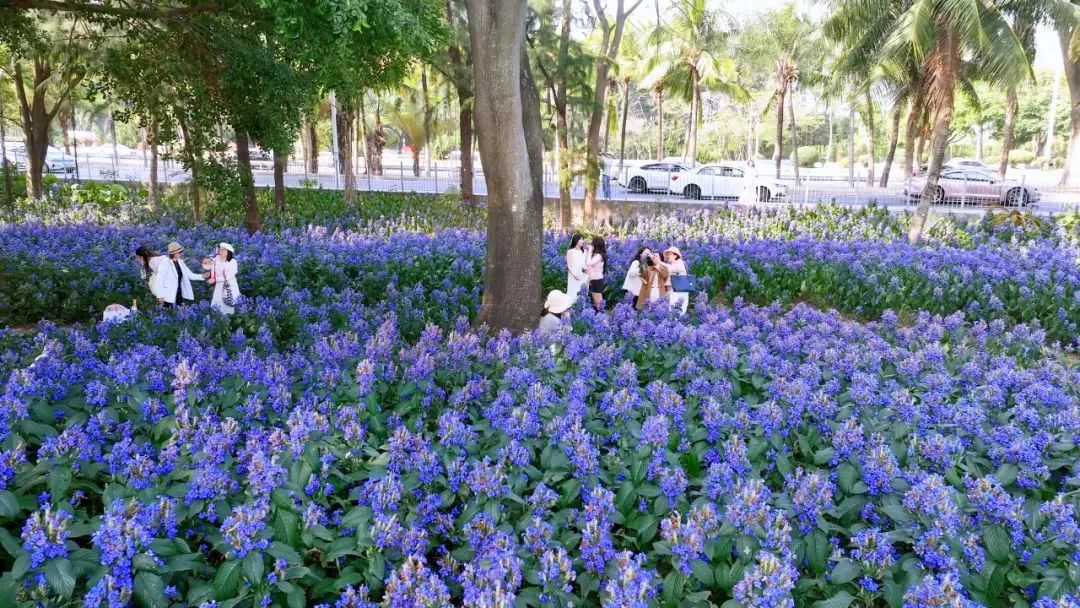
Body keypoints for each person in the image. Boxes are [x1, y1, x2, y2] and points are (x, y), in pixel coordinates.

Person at [167, 241, 205, 306]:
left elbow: (190, 275)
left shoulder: (181, 262)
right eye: (180, 252)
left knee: (183, 311)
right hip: (172, 293)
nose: (181, 254)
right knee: (176, 311)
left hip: (182, 292)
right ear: (174, 253)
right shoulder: (167, 264)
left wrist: (203, 276)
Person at [208, 242, 241, 315]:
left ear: (228, 252)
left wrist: (216, 279)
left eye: (223, 250)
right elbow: (212, 272)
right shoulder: (216, 260)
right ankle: (218, 319)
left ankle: (229, 319)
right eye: (220, 250)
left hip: (229, 286)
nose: (220, 252)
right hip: (219, 287)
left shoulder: (233, 262)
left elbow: (229, 276)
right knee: (217, 306)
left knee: (229, 306)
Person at [662, 246, 689, 314]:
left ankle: (678, 323)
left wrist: (660, 263)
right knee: (672, 309)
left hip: (680, 290)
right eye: (667, 254)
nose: (668, 256)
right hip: (674, 290)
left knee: (679, 310)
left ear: (675, 256)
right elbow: (669, 278)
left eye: (670, 254)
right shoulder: (672, 264)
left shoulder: (679, 262)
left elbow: (673, 269)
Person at [585, 236, 607, 311]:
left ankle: (602, 319)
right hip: (595, 280)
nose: (591, 245)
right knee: (596, 303)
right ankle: (599, 317)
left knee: (598, 304)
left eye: (593, 244)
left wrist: (590, 250)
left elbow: (589, 263)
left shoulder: (599, 255)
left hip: (597, 280)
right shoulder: (597, 255)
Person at [565, 234, 588, 301]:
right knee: (572, 293)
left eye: (583, 239)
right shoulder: (570, 251)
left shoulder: (585, 251)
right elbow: (569, 265)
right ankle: (570, 309)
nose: (582, 241)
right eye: (581, 239)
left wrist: (587, 272)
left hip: (583, 275)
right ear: (576, 240)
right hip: (573, 275)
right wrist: (574, 274)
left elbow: (585, 265)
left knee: (582, 294)